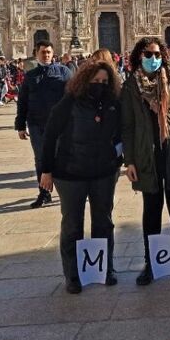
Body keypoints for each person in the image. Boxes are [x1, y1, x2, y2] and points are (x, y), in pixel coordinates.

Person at [120, 36, 170, 287]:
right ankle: (151, 262)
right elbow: (128, 125)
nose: (152, 59)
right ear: (138, 57)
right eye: (147, 54)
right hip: (147, 155)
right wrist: (129, 160)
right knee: (151, 210)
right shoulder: (131, 86)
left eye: (156, 54)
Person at [41, 59, 122, 293]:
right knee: (72, 225)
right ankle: (73, 275)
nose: (100, 85)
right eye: (95, 80)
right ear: (84, 80)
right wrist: (46, 171)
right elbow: (49, 136)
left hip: (103, 172)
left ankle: (104, 269)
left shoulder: (112, 102)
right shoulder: (69, 102)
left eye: (105, 81)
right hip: (70, 173)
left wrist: (118, 159)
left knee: (103, 223)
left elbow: (121, 132)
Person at [15, 41, 72, 208]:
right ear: (36, 54)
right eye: (43, 52)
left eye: (48, 52)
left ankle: (66, 191)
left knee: (62, 157)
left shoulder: (64, 72)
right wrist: (20, 125)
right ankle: (44, 193)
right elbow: (22, 102)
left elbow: (74, 95)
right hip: (37, 124)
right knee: (40, 159)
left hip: (60, 124)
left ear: (53, 53)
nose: (46, 55)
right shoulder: (31, 76)